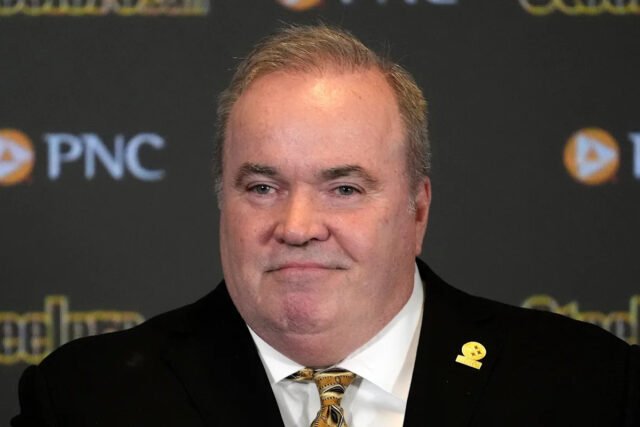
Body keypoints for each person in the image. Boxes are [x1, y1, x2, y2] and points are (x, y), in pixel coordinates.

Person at [12, 24, 639, 427]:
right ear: (222, 202)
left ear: (418, 210)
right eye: (263, 188)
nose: (298, 226)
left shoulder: (589, 390)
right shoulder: (86, 402)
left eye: (344, 189)